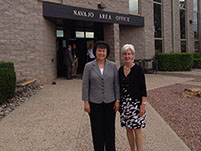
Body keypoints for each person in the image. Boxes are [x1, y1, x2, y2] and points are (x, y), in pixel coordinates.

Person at [82, 41, 120, 151]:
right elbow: (85, 85)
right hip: (94, 103)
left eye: (103, 51)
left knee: (110, 129)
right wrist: (86, 102)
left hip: (110, 102)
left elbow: (116, 84)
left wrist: (117, 100)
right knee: (97, 129)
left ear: (107, 52)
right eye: (99, 50)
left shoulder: (113, 66)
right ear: (95, 51)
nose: (101, 53)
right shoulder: (89, 66)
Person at [118, 44, 147, 151]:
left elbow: (143, 89)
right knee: (128, 129)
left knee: (137, 129)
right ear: (122, 56)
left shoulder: (138, 70)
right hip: (124, 105)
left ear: (133, 55)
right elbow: (118, 88)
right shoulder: (120, 70)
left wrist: (143, 105)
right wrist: (118, 102)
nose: (127, 56)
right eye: (125, 54)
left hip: (136, 104)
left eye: (129, 54)